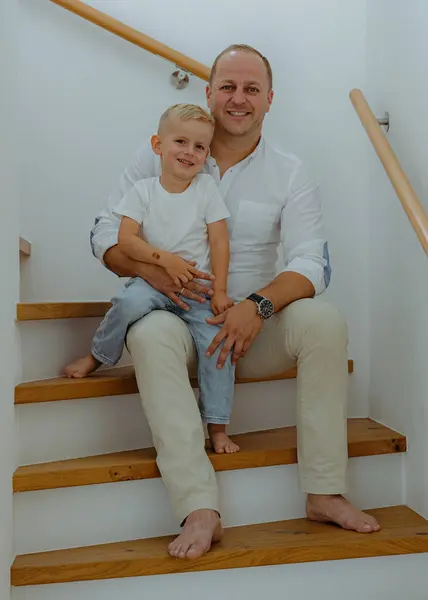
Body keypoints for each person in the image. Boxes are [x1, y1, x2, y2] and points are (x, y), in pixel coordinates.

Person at [90, 44, 381, 559]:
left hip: (248, 332)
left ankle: (325, 490)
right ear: (209, 92)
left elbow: (314, 263)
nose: (238, 99)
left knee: (324, 322)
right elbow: (104, 236)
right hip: (177, 322)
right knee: (150, 332)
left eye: (251, 89)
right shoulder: (159, 151)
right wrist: (149, 272)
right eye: (227, 86)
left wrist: (257, 307)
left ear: (270, 99)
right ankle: (198, 506)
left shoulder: (290, 171)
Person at [66, 104, 240, 454]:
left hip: (199, 293)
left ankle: (218, 427)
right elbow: (127, 239)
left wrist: (220, 290)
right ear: (157, 145)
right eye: (180, 141)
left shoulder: (206, 189)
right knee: (128, 302)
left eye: (199, 147)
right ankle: (98, 355)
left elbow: (220, 241)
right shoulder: (143, 191)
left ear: (207, 155)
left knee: (219, 348)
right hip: (153, 283)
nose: (189, 152)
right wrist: (164, 261)